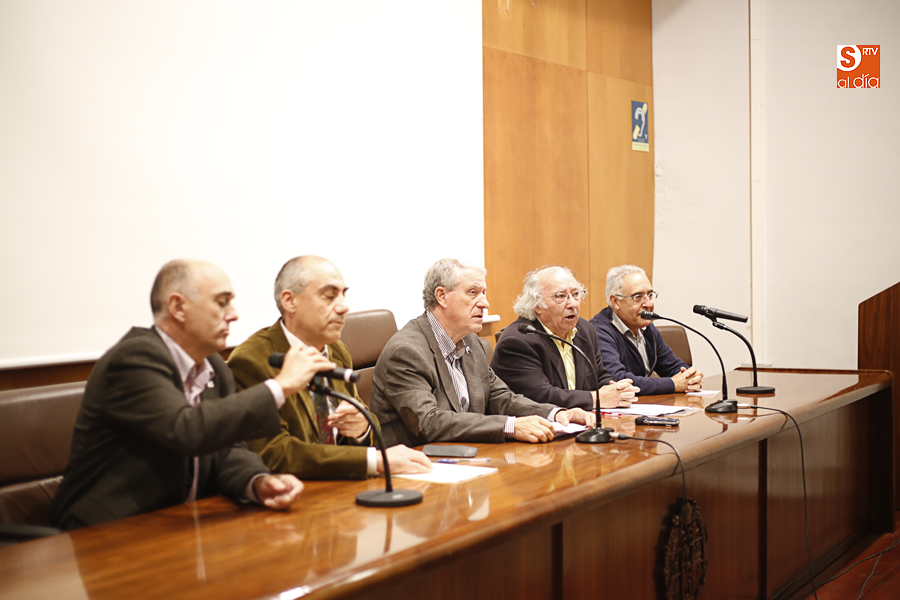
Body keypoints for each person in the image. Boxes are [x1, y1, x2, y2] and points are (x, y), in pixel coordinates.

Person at [49, 260, 314, 531]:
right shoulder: (134, 358)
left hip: (180, 526)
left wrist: (256, 482)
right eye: (222, 302)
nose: (233, 314)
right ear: (178, 307)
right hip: (102, 532)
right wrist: (280, 386)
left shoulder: (215, 367)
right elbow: (187, 429)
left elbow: (227, 447)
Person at [227, 256, 431, 479]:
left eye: (344, 294)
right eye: (329, 296)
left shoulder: (336, 350)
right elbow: (273, 453)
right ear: (289, 301)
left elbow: (367, 424)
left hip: (341, 485)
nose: (344, 306)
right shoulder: (253, 360)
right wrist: (372, 461)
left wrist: (361, 429)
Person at [370, 258, 596, 447]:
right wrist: (510, 426)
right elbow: (429, 422)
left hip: (466, 457)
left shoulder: (470, 342)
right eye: (473, 293)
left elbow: (500, 397)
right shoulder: (407, 352)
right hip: (416, 469)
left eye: (484, 293)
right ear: (441, 296)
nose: (485, 303)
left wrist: (556, 413)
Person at [491, 266, 639, 410]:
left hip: (581, 422)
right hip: (536, 429)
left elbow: (598, 376)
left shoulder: (585, 330)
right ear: (537, 305)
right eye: (560, 296)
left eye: (576, 294)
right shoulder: (519, 340)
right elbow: (540, 396)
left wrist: (617, 389)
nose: (573, 304)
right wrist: (597, 398)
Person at [589, 265, 703, 396]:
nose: (649, 304)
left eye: (650, 295)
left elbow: (671, 365)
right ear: (615, 302)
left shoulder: (646, 327)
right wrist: (673, 384)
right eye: (638, 296)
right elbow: (617, 380)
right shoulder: (598, 331)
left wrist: (690, 377)